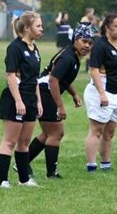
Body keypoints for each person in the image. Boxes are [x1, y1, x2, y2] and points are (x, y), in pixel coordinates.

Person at [24, 24, 94, 178]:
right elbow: (53, 80)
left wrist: (74, 94)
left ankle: (22, 163)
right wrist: (60, 106)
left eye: (90, 42)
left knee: (48, 133)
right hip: (44, 91)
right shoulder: (68, 57)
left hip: (45, 91)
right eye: (84, 41)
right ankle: (51, 173)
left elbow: (63, 79)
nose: (87, 45)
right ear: (75, 39)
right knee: (56, 132)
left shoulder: (73, 56)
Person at [0, 11, 43, 188]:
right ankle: (3, 181)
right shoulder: (15, 47)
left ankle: (24, 179)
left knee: (24, 142)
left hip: (30, 99)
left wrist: (38, 101)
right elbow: (10, 76)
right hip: (15, 99)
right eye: (38, 26)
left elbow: (34, 78)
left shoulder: (34, 47)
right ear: (26, 28)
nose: (41, 29)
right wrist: (18, 101)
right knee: (10, 141)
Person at [84, 14, 117, 172]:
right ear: (107, 27)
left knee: (109, 132)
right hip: (100, 90)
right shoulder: (100, 45)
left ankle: (106, 164)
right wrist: (102, 93)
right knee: (96, 130)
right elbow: (94, 70)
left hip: (114, 92)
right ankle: (91, 165)